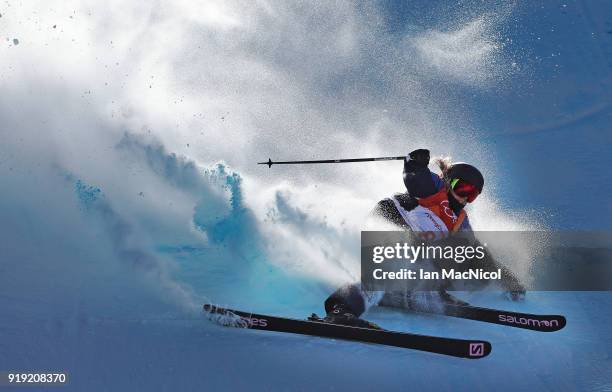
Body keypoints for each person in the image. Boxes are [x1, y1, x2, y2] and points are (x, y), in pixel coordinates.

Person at [322, 149, 526, 328]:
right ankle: (341, 310)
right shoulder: (435, 188)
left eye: (472, 194)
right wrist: (415, 161)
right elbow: (415, 177)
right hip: (393, 224)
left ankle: (422, 291)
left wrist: (507, 279)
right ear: (449, 181)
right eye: (462, 188)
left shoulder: (460, 221)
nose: (465, 197)